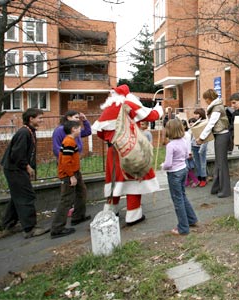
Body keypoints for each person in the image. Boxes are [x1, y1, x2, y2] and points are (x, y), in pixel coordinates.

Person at [91, 84, 163, 226]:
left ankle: (110, 211)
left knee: (115, 181)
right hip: (129, 149)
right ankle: (133, 214)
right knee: (134, 180)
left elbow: (99, 132)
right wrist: (159, 109)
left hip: (112, 151)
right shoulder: (127, 104)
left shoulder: (106, 110)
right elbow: (150, 116)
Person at [0, 108, 50, 239]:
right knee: (27, 196)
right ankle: (29, 229)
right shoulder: (24, 133)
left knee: (17, 196)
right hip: (14, 169)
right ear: (31, 119)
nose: (41, 120)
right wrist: (27, 167)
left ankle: (8, 225)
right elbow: (17, 154)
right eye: (39, 117)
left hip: (16, 168)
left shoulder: (29, 131)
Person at [50, 120, 91, 239]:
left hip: (75, 172)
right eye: (79, 128)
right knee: (66, 200)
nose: (80, 130)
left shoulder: (71, 141)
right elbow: (65, 162)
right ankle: (57, 228)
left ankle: (78, 216)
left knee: (81, 191)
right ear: (73, 129)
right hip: (69, 174)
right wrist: (71, 175)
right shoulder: (68, 142)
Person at [161, 119, 199, 235]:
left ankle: (183, 228)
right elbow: (187, 154)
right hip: (183, 170)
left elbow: (168, 164)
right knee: (182, 196)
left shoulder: (170, 146)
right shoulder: (183, 140)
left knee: (178, 200)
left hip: (174, 174)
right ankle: (192, 219)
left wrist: (162, 166)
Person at [196, 89, 231, 198]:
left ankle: (225, 190)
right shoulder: (216, 106)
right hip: (220, 135)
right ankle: (217, 187)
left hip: (222, 135)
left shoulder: (216, 108)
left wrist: (201, 137)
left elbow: (211, 124)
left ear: (209, 98)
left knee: (221, 163)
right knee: (219, 163)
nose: (205, 101)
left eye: (205, 98)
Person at [191, 108, 208, 187]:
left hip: (201, 145)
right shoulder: (195, 122)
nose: (195, 116)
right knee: (197, 163)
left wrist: (203, 147)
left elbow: (206, 136)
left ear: (201, 114)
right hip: (194, 145)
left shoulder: (205, 122)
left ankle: (204, 179)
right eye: (195, 114)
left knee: (202, 163)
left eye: (197, 114)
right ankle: (199, 178)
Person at [181, 119, 199, 188]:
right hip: (182, 153)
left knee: (188, 168)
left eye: (182, 126)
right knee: (186, 168)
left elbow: (188, 144)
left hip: (187, 154)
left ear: (185, 126)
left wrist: (189, 153)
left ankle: (195, 180)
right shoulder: (181, 134)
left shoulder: (186, 134)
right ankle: (187, 181)